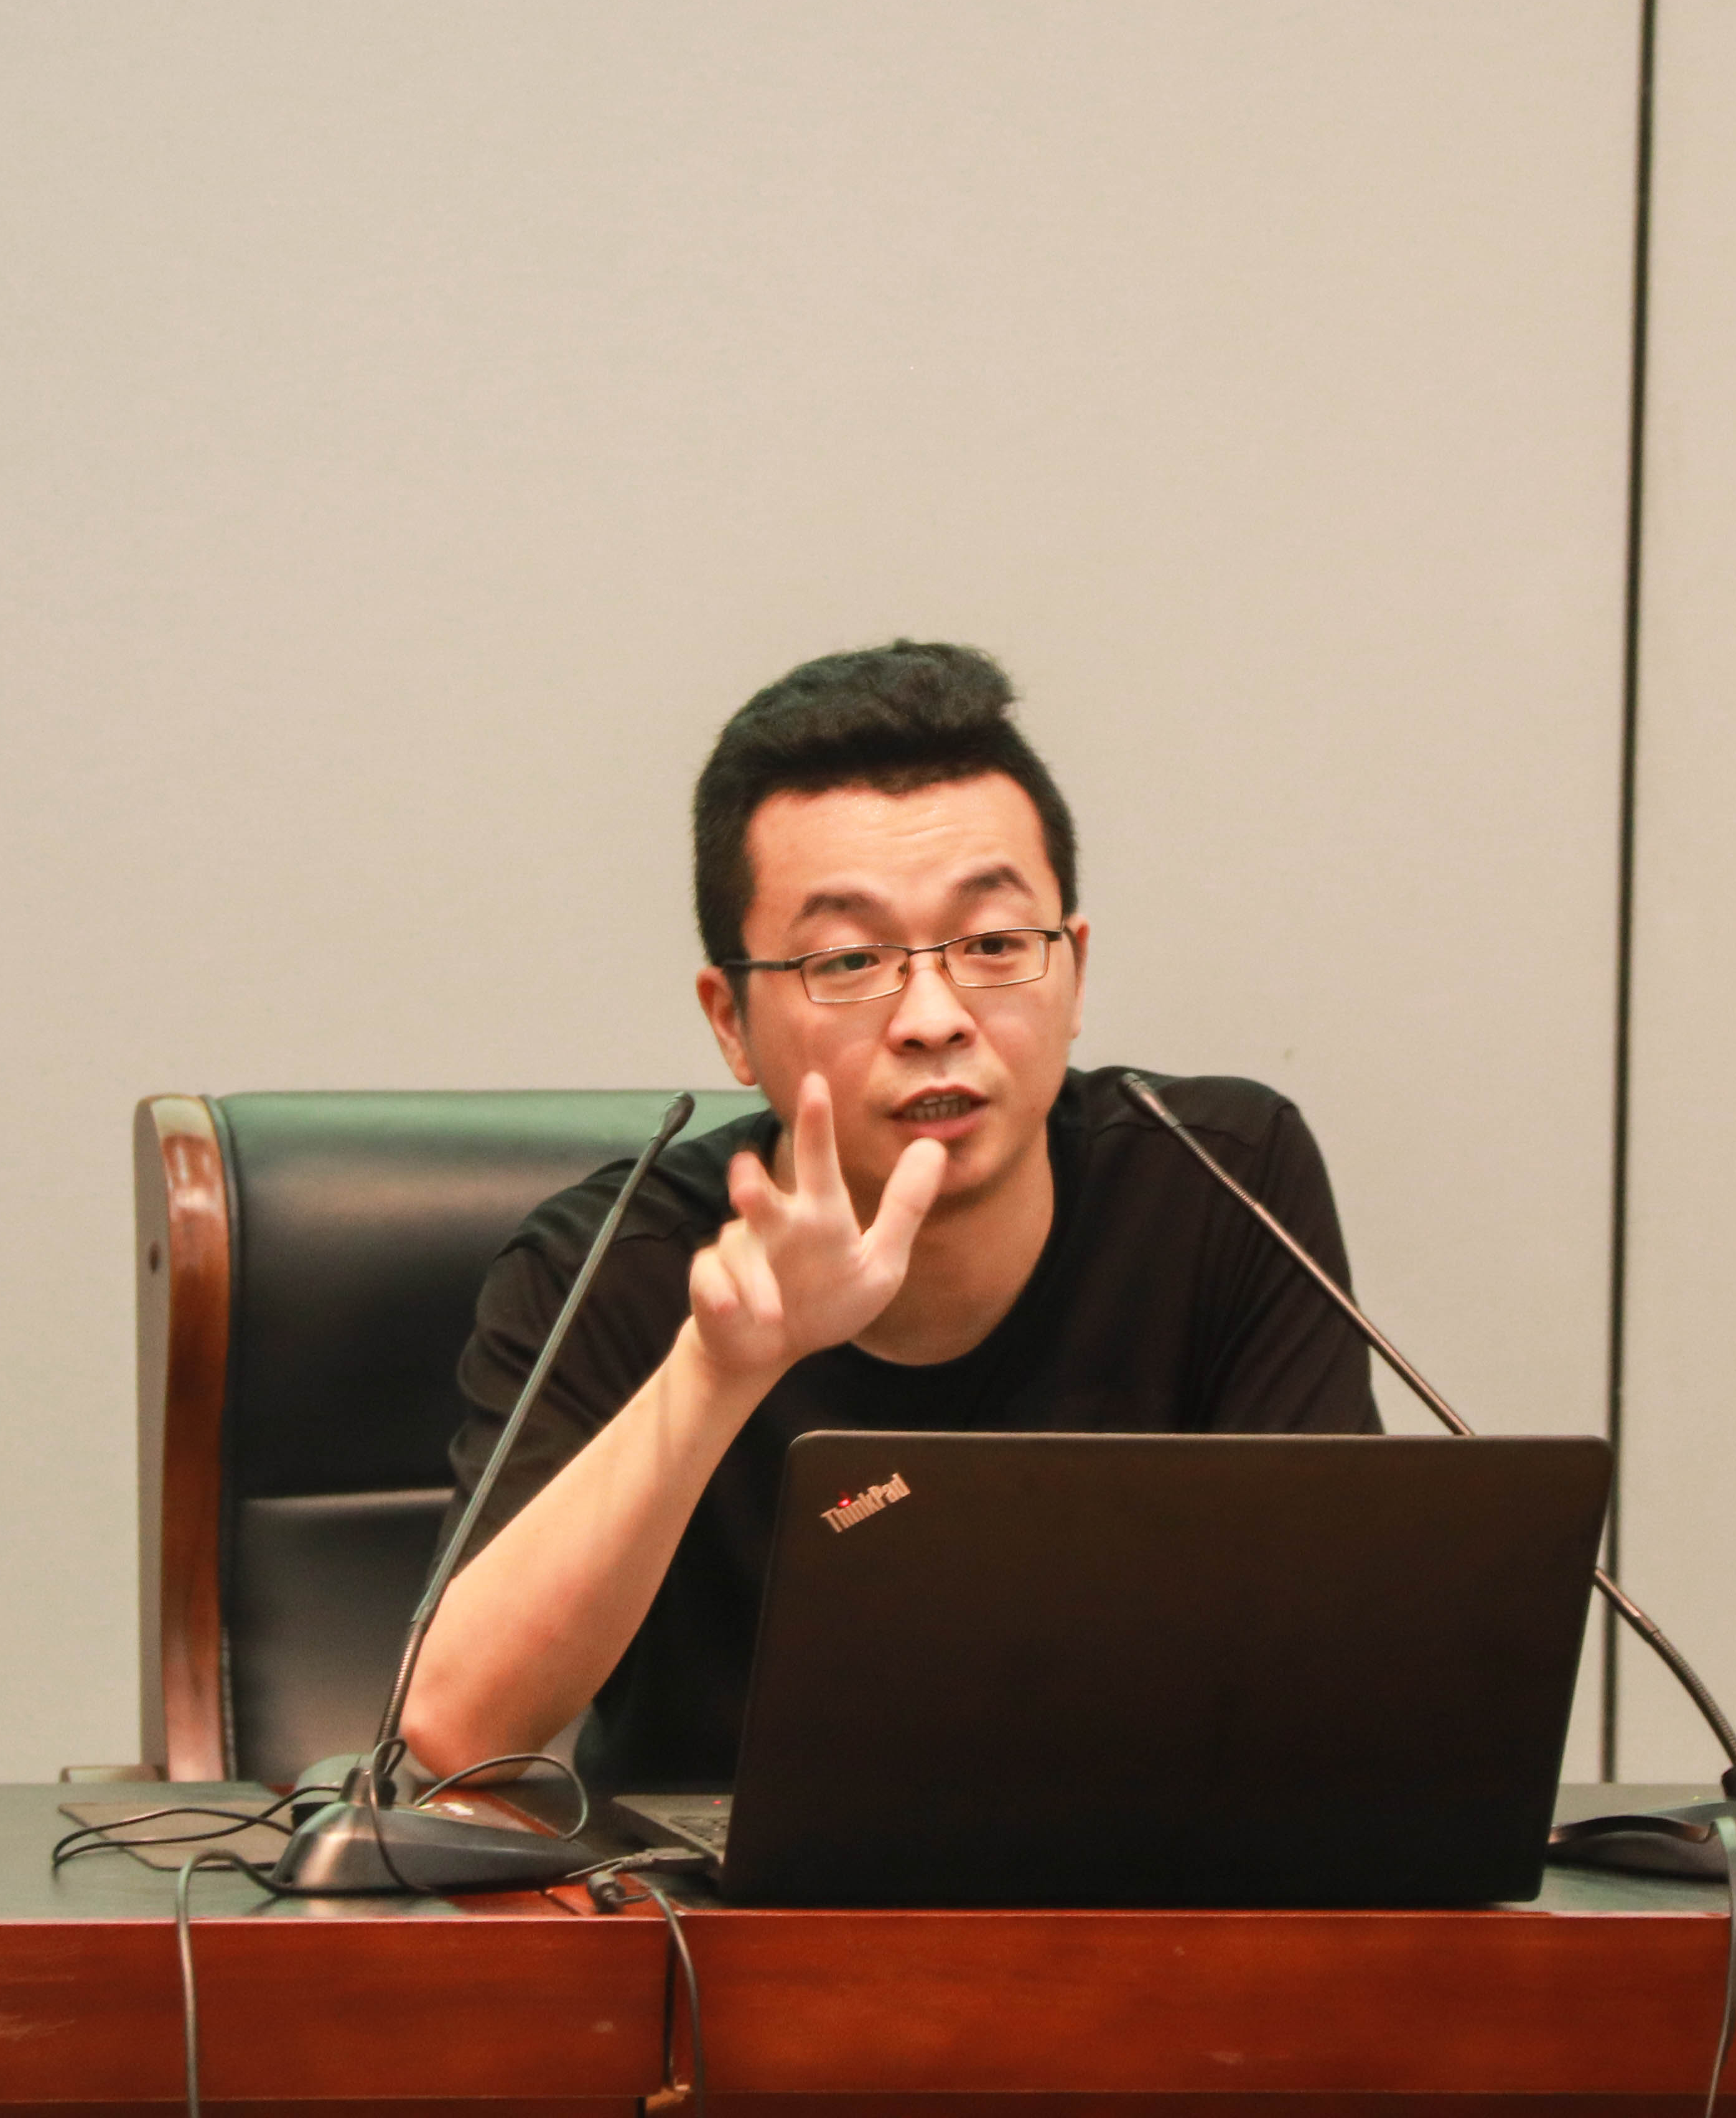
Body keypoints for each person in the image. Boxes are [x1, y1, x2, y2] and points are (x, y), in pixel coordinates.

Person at [400, 640, 1379, 1786]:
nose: (933, 1017)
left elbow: (1345, 1651)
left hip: (1142, 1875)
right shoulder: (612, 1269)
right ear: (730, 1021)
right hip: (720, 1895)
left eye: (995, 945)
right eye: (851, 960)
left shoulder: (1218, 1184)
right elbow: (457, 1730)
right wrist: (719, 1373)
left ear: (1073, 972)